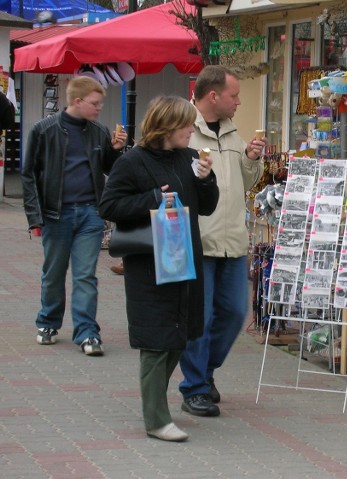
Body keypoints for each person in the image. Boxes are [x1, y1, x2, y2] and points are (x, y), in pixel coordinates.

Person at [99, 95, 219, 442]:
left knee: (180, 336)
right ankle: (156, 419)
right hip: (150, 264)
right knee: (156, 341)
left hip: (185, 258)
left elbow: (207, 207)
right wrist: (151, 198)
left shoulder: (192, 158)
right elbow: (109, 205)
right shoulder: (132, 161)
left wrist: (205, 180)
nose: (192, 130)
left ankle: (156, 405)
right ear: (167, 126)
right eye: (186, 124)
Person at [178, 65, 265, 417]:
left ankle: (205, 370)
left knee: (232, 314)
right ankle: (195, 386)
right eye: (234, 95)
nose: (239, 102)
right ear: (213, 96)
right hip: (198, 241)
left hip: (233, 241)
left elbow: (246, 183)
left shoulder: (231, 134)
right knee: (199, 317)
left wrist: (250, 159)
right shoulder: (184, 128)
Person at [21, 76, 127, 356]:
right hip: (55, 214)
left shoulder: (99, 131)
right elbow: (28, 174)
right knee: (54, 273)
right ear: (77, 101)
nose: (99, 108)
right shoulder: (44, 130)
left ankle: (87, 332)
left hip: (90, 214)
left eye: (101, 103)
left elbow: (108, 168)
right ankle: (48, 322)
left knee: (85, 275)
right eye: (95, 103)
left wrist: (116, 151)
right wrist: (34, 216)